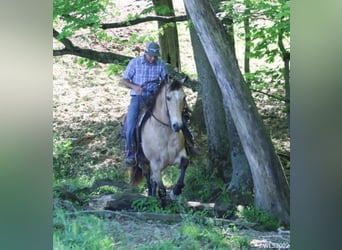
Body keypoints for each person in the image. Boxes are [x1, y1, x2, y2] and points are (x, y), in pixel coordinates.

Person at [122, 42, 168, 166]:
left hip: (155, 97)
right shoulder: (135, 63)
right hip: (138, 97)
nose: (153, 58)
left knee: (174, 115)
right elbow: (124, 80)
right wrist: (135, 86)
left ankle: (187, 143)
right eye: (151, 56)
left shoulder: (161, 64)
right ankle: (130, 153)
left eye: (155, 56)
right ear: (145, 53)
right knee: (131, 123)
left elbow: (166, 81)